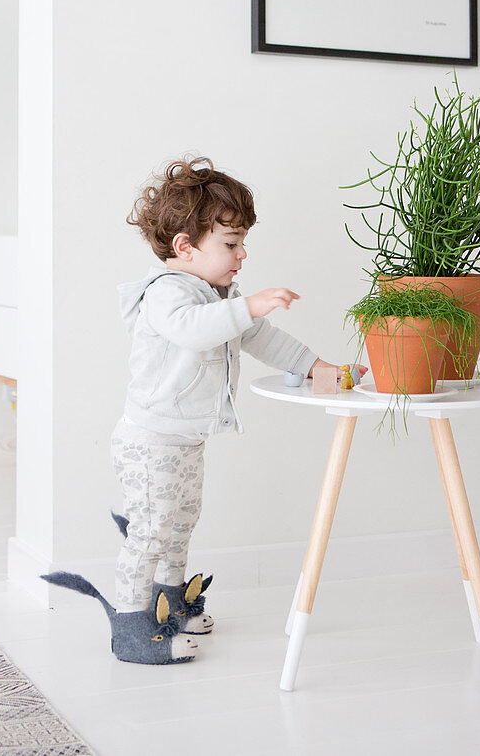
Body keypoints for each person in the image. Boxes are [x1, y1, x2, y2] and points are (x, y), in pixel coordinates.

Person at [111, 156, 349, 665]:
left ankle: (170, 602)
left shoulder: (219, 296)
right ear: (184, 246)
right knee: (151, 531)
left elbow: (260, 337)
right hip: (149, 440)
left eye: (242, 242)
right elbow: (195, 329)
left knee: (180, 523)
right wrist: (251, 305)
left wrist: (315, 366)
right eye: (231, 243)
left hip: (184, 438)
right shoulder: (166, 294)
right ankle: (131, 626)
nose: (242, 255)